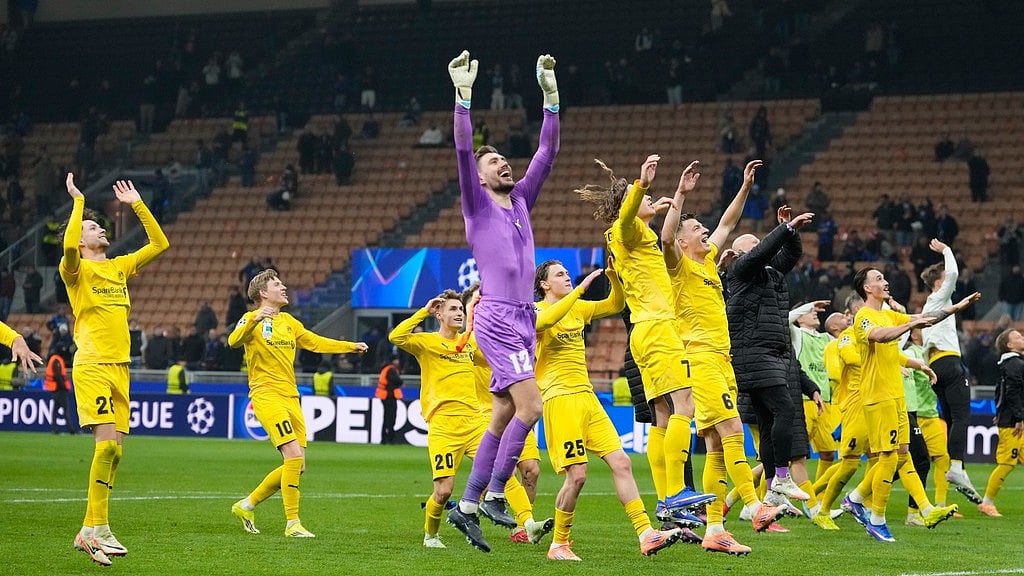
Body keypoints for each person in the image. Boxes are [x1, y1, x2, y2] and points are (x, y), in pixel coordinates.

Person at [443, 50, 561, 553]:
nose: (502, 163)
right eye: (495, 162)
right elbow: (465, 151)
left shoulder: (520, 202)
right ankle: (494, 493)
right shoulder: (476, 203)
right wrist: (463, 99)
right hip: (495, 316)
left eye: (503, 160)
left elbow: (546, 155)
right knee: (530, 407)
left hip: (524, 318)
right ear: (483, 175)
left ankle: (467, 506)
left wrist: (551, 100)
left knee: (501, 413)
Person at [661, 158, 790, 552]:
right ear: (684, 242)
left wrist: (747, 186)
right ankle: (753, 506)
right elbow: (666, 239)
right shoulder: (679, 264)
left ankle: (715, 529)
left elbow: (728, 223)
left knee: (717, 446)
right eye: (697, 230)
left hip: (722, 359)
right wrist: (680, 196)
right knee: (733, 430)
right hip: (699, 359)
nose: (705, 233)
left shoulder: (707, 265)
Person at [535, 260, 682, 559]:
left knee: (622, 462)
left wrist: (615, 276)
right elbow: (545, 324)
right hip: (560, 398)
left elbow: (615, 303)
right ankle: (558, 544)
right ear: (544, 285)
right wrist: (578, 290)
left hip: (587, 398)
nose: (565, 277)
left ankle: (646, 533)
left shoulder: (578, 308)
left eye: (567, 273)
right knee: (577, 476)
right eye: (559, 275)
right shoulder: (536, 309)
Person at [60, 173, 169, 566]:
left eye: (99, 224)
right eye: (92, 227)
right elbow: (70, 243)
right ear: (81, 240)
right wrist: (78, 204)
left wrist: (138, 204)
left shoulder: (120, 267)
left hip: (122, 368)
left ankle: (87, 531)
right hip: (92, 363)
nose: (99, 228)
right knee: (105, 446)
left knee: (116, 454)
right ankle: (99, 529)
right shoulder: (75, 270)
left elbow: (160, 243)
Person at [390, 290, 551, 551]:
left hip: (475, 423)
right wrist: (424, 309)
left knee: (503, 472)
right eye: (453, 309)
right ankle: (430, 534)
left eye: (461, 310)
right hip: (443, 426)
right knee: (443, 491)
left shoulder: (469, 345)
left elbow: (494, 361)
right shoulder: (427, 343)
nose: (458, 314)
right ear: (439, 314)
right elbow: (395, 336)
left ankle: (527, 523)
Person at [228, 270, 368, 539]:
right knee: (293, 457)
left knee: (298, 464)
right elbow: (233, 341)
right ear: (263, 294)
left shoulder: (289, 322)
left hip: (291, 397)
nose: (284, 287)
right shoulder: (250, 319)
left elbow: (315, 342)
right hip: (266, 395)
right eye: (277, 284)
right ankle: (293, 523)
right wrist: (255, 319)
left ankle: (246, 505)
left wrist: (350, 346)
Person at [841, 267, 977, 542]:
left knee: (902, 452)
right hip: (877, 395)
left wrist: (955, 308)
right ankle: (877, 518)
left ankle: (859, 499)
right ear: (867, 288)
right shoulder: (864, 316)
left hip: (895, 394)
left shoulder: (888, 313)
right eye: (878, 278)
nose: (885, 281)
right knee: (889, 455)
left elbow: (923, 319)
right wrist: (909, 325)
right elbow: (880, 336)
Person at [726, 199, 816, 504]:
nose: (762, 248)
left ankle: (774, 486)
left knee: (767, 424)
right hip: (754, 353)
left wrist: (790, 233)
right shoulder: (740, 270)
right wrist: (784, 227)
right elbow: (763, 250)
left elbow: (791, 253)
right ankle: (781, 477)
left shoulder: (769, 273)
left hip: (767, 354)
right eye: (754, 245)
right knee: (786, 410)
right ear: (741, 254)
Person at [920, 238, 984, 503]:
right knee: (962, 418)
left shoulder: (928, 308)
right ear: (938, 283)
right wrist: (946, 250)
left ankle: (959, 470)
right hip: (949, 362)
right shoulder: (937, 298)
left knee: (951, 418)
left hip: (935, 368)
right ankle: (957, 469)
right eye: (945, 280)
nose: (951, 283)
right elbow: (954, 273)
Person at [790, 300, 838, 487]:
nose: (814, 313)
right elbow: (786, 320)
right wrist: (806, 306)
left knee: (828, 453)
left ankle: (817, 497)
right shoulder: (798, 335)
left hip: (824, 403)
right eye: (809, 312)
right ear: (800, 319)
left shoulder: (826, 339)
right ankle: (758, 499)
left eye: (814, 311)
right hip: (803, 401)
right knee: (790, 456)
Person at [979, 329, 1024, 517]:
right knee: (1007, 463)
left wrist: (999, 411)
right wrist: (1019, 417)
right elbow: (1012, 391)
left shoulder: (1009, 363)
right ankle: (987, 503)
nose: (1023, 338)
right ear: (1009, 345)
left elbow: (1000, 391)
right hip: (1013, 423)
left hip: (1012, 418)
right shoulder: (1013, 363)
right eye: (1018, 337)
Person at [46, 347, 74, 433]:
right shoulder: (56, 360)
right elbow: (58, 375)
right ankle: (71, 430)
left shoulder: (54, 359)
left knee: (55, 410)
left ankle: (55, 429)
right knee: (65, 410)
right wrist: (64, 387)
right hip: (59, 389)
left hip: (55, 389)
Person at [376, 357, 403, 444]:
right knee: (391, 418)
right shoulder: (391, 370)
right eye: (396, 360)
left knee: (386, 418)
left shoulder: (386, 368)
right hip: (389, 396)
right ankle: (390, 439)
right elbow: (398, 381)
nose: (398, 362)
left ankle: (384, 439)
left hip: (385, 396)